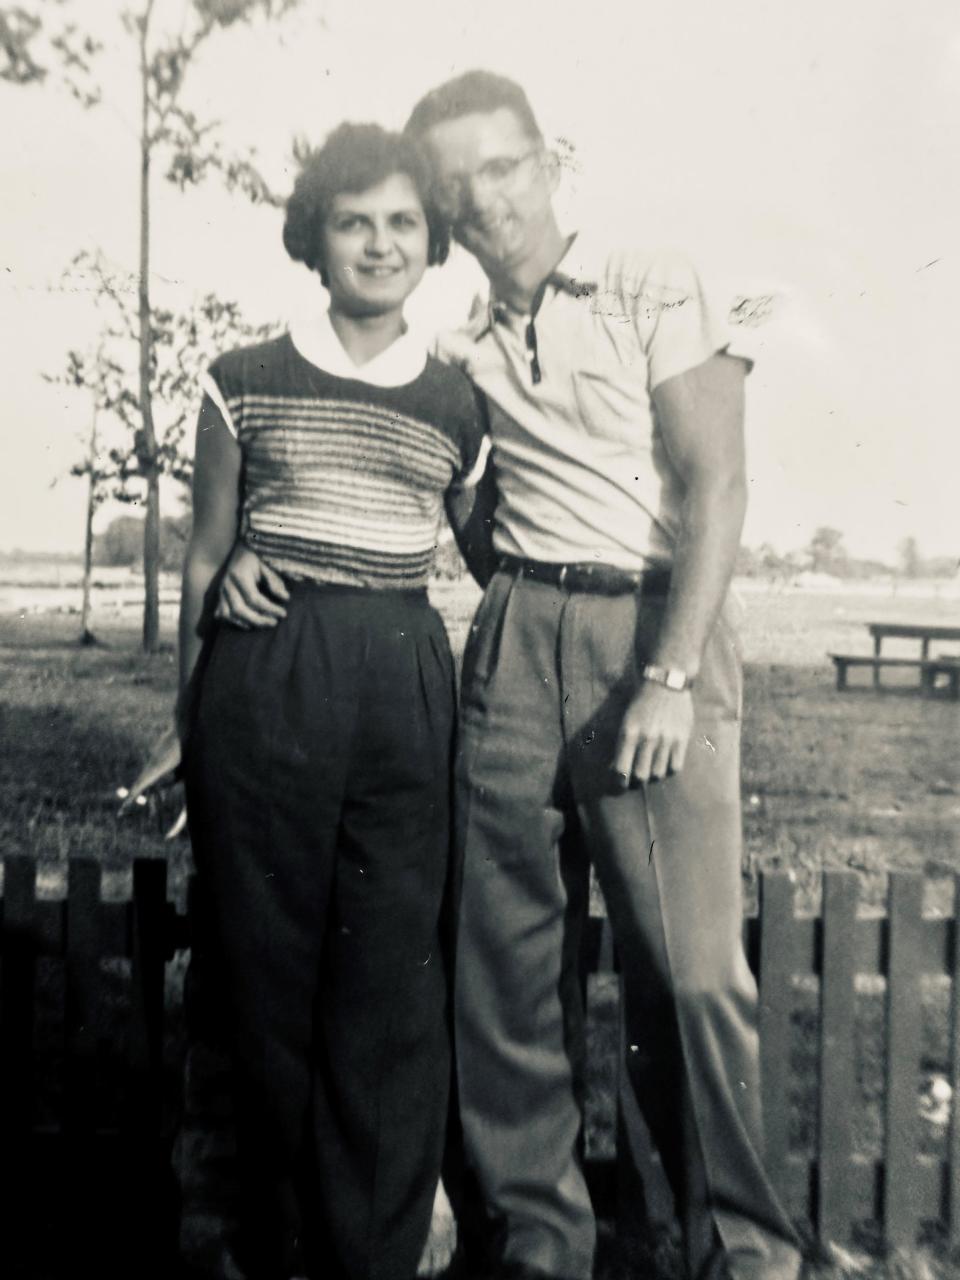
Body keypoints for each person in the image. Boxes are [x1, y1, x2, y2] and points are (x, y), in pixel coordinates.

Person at [217, 73, 802, 1280]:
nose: (486, 203)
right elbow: (418, 493)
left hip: (649, 632)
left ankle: (741, 1252)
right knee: (503, 965)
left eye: (505, 168)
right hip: (514, 626)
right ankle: (539, 1242)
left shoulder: (651, 278)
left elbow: (719, 486)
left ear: (551, 160)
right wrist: (250, 564)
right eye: (456, 187)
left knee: (690, 973)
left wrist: (672, 672)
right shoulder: (461, 345)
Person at [126, 122, 491, 1280]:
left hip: (403, 676)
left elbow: (490, 554)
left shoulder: (457, 404)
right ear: (315, 237)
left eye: (402, 223)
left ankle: (370, 1250)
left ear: (432, 242)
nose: (378, 245)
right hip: (269, 667)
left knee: (389, 977)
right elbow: (205, 553)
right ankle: (270, 1239)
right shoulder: (244, 378)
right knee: (268, 974)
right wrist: (191, 702)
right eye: (353, 221)